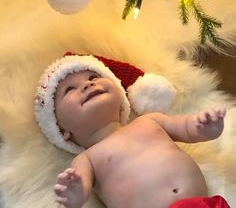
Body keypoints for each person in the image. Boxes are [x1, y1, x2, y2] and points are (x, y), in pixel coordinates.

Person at [34, 53, 230, 208]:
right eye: (70, 89)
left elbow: (187, 128)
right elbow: (81, 188)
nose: (87, 84)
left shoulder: (149, 121)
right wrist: (75, 194)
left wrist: (208, 127)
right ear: (61, 129)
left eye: (93, 76)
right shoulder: (87, 159)